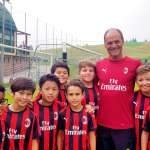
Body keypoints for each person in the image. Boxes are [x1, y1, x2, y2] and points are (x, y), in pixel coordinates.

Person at [96, 28, 141, 150]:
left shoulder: (135, 64)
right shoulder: (99, 65)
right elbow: (88, 88)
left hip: (125, 127)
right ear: (105, 44)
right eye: (109, 43)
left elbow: (145, 85)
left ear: (123, 41)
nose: (113, 45)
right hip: (102, 125)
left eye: (117, 41)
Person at [57, 79, 97, 150]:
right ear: (66, 95)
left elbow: (92, 135)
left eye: (77, 94)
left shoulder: (89, 113)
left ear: (83, 95)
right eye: (71, 94)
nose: (74, 98)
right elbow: (60, 135)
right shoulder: (62, 114)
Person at [2, 77, 39, 150]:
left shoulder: (32, 116)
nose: (25, 97)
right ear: (12, 93)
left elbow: (34, 139)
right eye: (21, 93)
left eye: (28, 94)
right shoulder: (2, 113)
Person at [33, 74, 65, 150]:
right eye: (47, 89)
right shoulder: (32, 107)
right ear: (40, 90)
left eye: (54, 89)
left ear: (58, 91)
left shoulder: (62, 107)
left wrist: (87, 107)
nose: (51, 92)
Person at [133, 63, 150, 150]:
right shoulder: (133, 97)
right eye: (140, 80)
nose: (144, 83)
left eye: (148, 79)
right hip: (133, 143)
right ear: (136, 82)